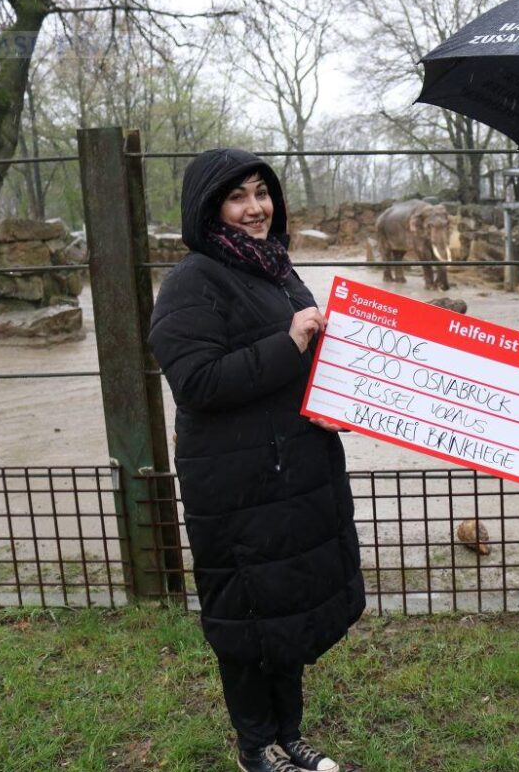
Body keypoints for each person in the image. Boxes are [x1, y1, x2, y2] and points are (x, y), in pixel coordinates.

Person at [149, 148, 365, 772]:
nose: (255, 207)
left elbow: (301, 364)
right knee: (246, 619)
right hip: (236, 485)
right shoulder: (193, 280)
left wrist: (326, 398)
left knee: (285, 607)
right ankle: (255, 747)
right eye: (238, 196)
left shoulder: (274, 267)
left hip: (290, 474)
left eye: (261, 192)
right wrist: (289, 343)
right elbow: (197, 381)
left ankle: (290, 735)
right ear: (209, 207)